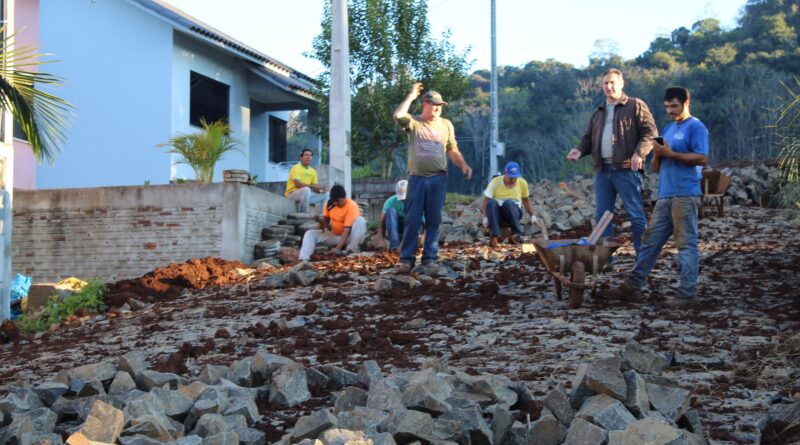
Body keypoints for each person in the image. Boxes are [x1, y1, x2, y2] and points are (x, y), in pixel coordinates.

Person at [604, 87, 708, 305]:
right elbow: (657, 166)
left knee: (686, 244)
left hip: (685, 194)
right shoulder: (668, 129)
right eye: (667, 107)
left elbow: (701, 158)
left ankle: (687, 293)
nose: (670, 110)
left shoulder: (696, 127)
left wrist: (672, 154)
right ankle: (632, 287)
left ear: (686, 102)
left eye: (674, 106)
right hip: (665, 194)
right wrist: (659, 155)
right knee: (650, 242)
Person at [567, 68, 658, 254]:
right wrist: (579, 150)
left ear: (622, 83)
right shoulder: (598, 112)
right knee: (603, 217)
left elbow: (650, 133)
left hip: (626, 168)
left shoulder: (635, 105)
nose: (608, 86)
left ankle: (643, 256)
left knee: (635, 214)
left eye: (612, 82)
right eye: (605, 83)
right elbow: (588, 138)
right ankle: (605, 259)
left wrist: (639, 153)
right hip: (603, 170)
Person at [393, 83, 472, 273]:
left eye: (440, 105)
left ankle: (430, 258)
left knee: (434, 220)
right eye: (433, 104)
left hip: (438, 179)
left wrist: (463, 165)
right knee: (412, 219)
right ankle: (406, 260)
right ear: (424, 104)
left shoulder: (446, 125)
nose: (437, 108)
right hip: (417, 179)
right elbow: (398, 116)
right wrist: (411, 95)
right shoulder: (414, 123)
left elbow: (452, 149)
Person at [298, 184, 367, 261]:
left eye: (338, 201)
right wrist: (320, 220)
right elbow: (325, 223)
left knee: (360, 220)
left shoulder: (351, 206)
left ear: (344, 197)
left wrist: (337, 249)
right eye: (335, 201)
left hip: (349, 237)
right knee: (310, 233)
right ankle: (303, 259)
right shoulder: (330, 204)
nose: (336, 203)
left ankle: (350, 251)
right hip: (335, 235)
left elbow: (346, 231)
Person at [481, 162, 537, 247]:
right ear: (505, 174)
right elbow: (485, 200)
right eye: (511, 178)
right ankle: (495, 236)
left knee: (508, 203)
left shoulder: (522, 183)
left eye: (515, 178)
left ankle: (517, 234)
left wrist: (532, 215)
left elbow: (526, 200)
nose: (513, 180)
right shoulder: (496, 182)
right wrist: (485, 217)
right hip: (498, 215)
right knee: (492, 203)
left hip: (513, 213)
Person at [285, 149, 327, 213]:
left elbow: (315, 188)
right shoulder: (296, 167)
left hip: (306, 195)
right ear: (301, 157)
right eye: (306, 155)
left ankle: (324, 216)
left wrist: (320, 189)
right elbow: (297, 184)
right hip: (292, 194)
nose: (308, 157)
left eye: (310, 155)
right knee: (306, 190)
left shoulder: (313, 171)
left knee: (326, 194)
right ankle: (303, 214)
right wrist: (312, 186)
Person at [376, 179, 409, 252]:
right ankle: (394, 246)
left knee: (412, 218)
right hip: (398, 226)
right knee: (390, 211)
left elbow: (425, 224)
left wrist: (423, 236)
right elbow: (381, 223)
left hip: (413, 227)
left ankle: (405, 244)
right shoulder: (390, 201)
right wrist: (381, 240)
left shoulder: (416, 201)